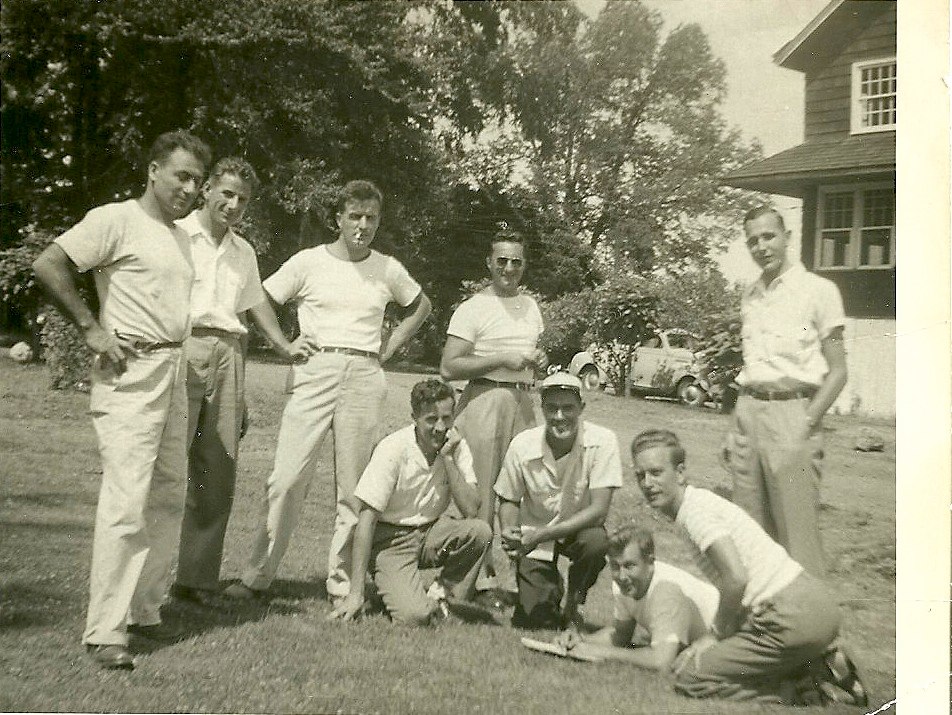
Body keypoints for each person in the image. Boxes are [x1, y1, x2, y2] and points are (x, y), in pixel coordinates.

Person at [32, 130, 211, 669]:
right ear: (153, 170)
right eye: (181, 175)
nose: (189, 188)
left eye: (197, 180)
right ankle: (104, 631)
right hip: (129, 372)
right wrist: (91, 329)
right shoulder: (116, 219)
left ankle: (143, 611)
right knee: (126, 500)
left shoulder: (180, 237)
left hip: (173, 369)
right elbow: (49, 264)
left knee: (165, 497)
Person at [224, 180, 431, 605]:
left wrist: (387, 349)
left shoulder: (387, 268)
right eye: (354, 216)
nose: (363, 225)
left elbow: (421, 306)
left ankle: (341, 582)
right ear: (337, 218)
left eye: (371, 218)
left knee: (354, 487)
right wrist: (283, 343)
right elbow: (258, 296)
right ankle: (256, 576)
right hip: (314, 369)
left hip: (364, 374)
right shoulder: (309, 262)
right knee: (286, 477)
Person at [631, 429, 867, 706]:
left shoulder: (695, 513)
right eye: (640, 476)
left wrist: (713, 636)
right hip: (813, 604)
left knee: (691, 676)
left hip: (786, 616)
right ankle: (822, 663)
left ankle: (810, 689)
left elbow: (736, 579)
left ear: (680, 473)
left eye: (656, 473)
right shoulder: (698, 503)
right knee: (725, 653)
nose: (647, 483)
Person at [170, 158, 309, 606]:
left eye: (242, 200)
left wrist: (286, 346)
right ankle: (144, 589)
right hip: (182, 347)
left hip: (230, 352)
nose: (233, 205)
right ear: (207, 189)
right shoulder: (175, 235)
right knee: (167, 466)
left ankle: (195, 579)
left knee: (217, 469)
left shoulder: (243, 251)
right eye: (226, 194)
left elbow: (254, 306)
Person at [722, 206, 848, 577]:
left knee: (797, 536)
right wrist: (735, 427)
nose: (761, 247)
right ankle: (763, 625)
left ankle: (814, 629)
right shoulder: (751, 295)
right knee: (749, 531)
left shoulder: (819, 291)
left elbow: (838, 372)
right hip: (748, 414)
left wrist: (805, 423)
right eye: (752, 241)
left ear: (788, 237)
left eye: (768, 236)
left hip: (794, 414)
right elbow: (752, 370)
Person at [328, 379, 491, 626]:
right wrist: (355, 594)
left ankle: (439, 593)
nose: (439, 427)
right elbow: (366, 519)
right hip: (390, 541)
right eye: (430, 419)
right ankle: (398, 585)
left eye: (446, 418)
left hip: (430, 532)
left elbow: (471, 509)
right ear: (414, 417)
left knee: (480, 532)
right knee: (415, 617)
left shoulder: (456, 446)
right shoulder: (393, 449)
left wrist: (447, 459)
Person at [440, 228, 547, 596]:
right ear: (489, 262)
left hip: (522, 402)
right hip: (484, 401)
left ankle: (530, 585)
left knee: (524, 492)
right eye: (502, 260)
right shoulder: (474, 307)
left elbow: (530, 357)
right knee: (483, 495)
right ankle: (475, 583)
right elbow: (449, 367)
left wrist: (539, 362)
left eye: (517, 261)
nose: (509, 268)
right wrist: (501, 359)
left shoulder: (531, 307)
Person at [495, 372, 622, 629]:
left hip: (578, 531)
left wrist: (541, 535)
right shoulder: (522, 444)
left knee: (596, 542)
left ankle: (575, 600)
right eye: (552, 408)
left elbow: (599, 512)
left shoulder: (603, 441)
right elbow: (508, 498)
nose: (559, 417)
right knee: (535, 621)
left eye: (568, 408)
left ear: (582, 408)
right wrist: (510, 531)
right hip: (534, 537)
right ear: (542, 409)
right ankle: (549, 586)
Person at [554, 525, 719, 672]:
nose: (622, 576)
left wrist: (601, 652)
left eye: (629, 566)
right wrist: (580, 641)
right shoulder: (624, 584)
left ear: (650, 562)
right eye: (615, 566)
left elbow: (662, 661)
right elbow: (620, 634)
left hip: (728, 635)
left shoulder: (666, 590)